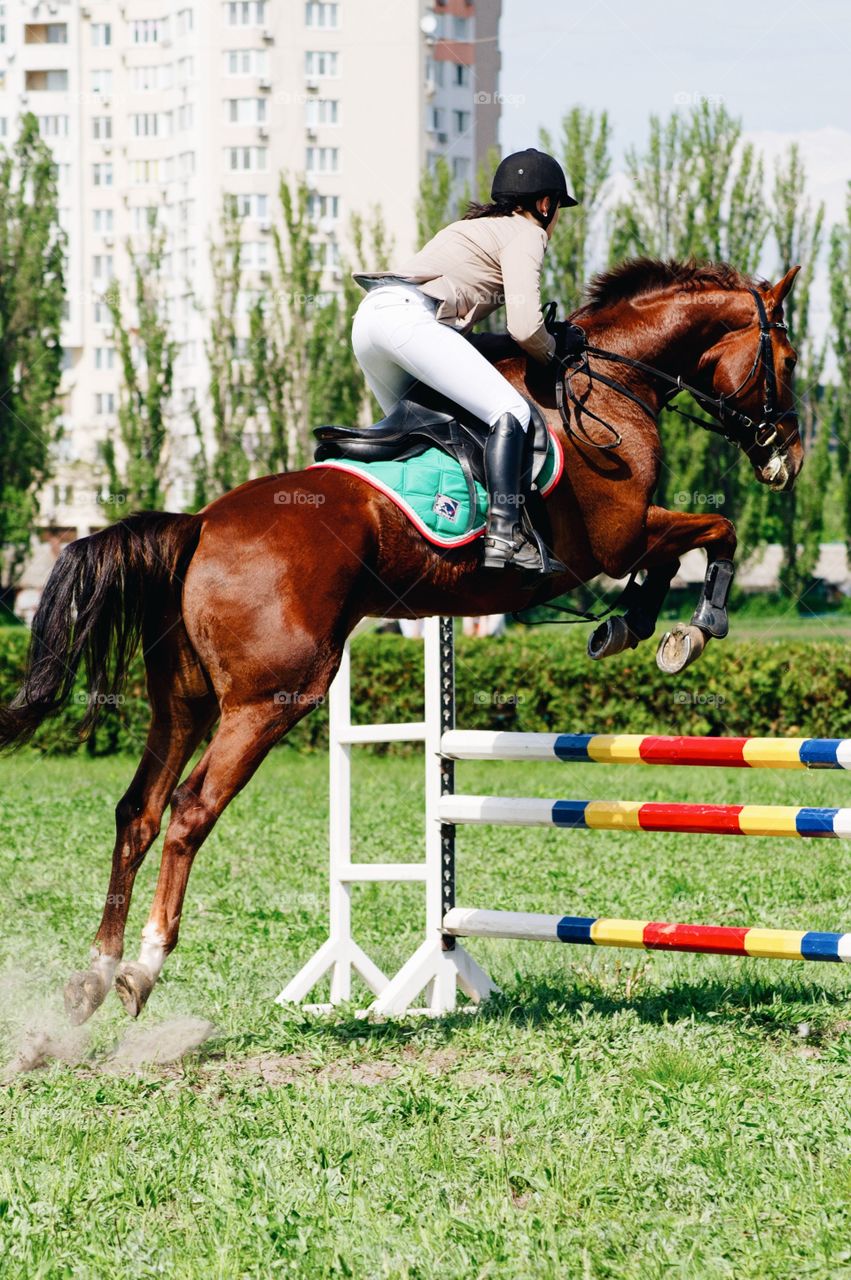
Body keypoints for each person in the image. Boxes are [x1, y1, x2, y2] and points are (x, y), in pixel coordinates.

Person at [351, 148, 583, 577]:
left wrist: (520, 345)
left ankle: (425, 538)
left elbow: (468, 343)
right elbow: (526, 327)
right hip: (407, 321)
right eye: (558, 210)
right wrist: (554, 353)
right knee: (510, 412)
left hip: (371, 322)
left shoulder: (475, 228)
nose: (557, 221)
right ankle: (503, 535)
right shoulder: (526, 232)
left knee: (426, 434)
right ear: (546, 204)